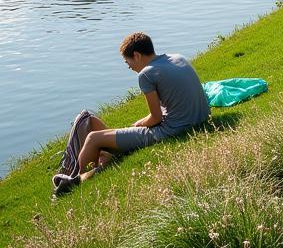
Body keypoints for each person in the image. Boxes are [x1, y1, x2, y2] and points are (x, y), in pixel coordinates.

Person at [57, 33, 210, 193]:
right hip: (199, 118)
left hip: (172, 130)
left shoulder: (146, 74)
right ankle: (104, 158)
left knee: (92, 138)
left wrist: (140, 124)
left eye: (127, 62)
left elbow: (156, 118)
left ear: (136, 55)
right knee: (92, 121)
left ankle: (76, 181)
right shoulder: (178, 57)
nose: (129, 67)